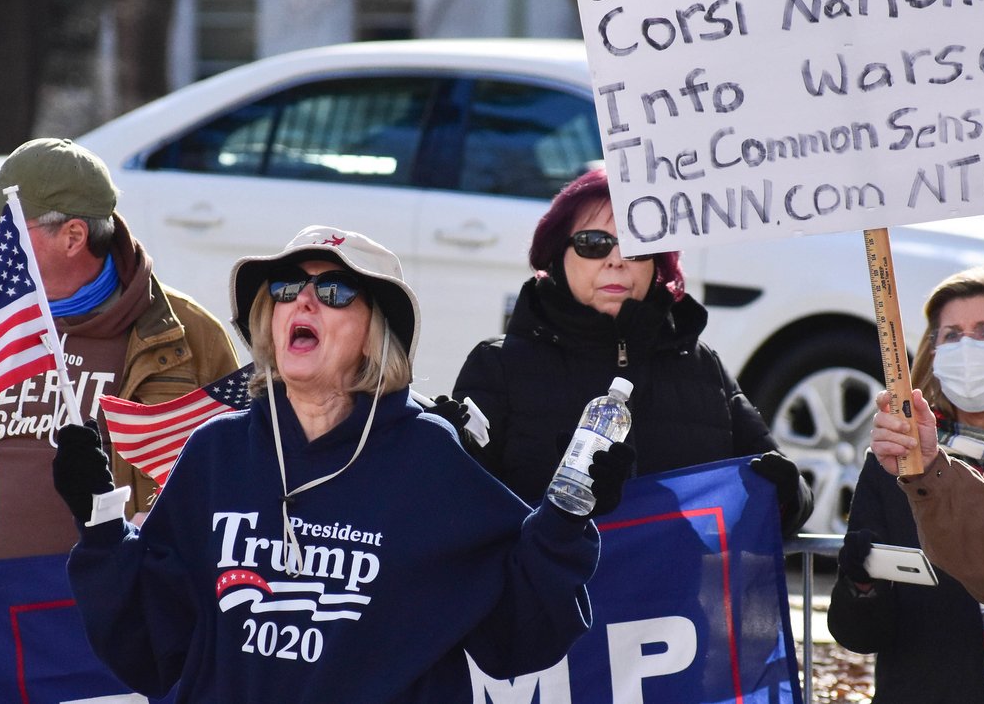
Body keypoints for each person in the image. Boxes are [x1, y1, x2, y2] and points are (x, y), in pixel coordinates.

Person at [51, 225, 633, 702]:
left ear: (374, 335)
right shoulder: (216, 453)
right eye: (285, 288)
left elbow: (517, 638)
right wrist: (101, 526)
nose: (302, 301)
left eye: (333, 293)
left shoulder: (429, 461)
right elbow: (152, 649)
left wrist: (566, 518)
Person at [0, 138, 240, 691]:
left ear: (73, 236)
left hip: (113, 633)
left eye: (2, 228)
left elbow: (236, 481)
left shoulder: (188, 336)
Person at [452, 167, 812, 533]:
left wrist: (785, 494)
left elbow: (786, 499)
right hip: (552, 591)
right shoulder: (499, 366)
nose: (616, 260)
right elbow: (456, 511)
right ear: (555, 255)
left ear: (659, 262)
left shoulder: (703, 366)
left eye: (637, 245)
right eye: (593, 243)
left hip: (675, 589)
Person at [833, 265, 984, 703]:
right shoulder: (897, 460)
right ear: (933, 351)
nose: (967, 347)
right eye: (952, 335)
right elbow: (858, 633)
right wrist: (861, 586)